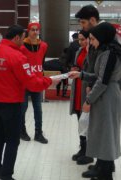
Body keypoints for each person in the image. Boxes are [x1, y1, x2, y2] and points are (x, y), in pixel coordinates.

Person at [0, 24, 60, 180]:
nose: (24, 40)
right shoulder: (17, 57)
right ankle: (6, 175)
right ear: (17, 37)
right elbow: (32, 83)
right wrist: (50, 80)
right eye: (22, 37)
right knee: (12, 140)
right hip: (11, 104)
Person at [69, 22, 121, 180]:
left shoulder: (109, 54)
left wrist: (88, 100)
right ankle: (103, 168)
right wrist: (81, 75)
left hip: (106, 96)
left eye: (92, 39)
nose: (91, 42)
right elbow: (101, 77)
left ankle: (105, 173)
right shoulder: (109, 51)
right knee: (103, 132)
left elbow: (102, 81)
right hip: (107, 95)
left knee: (105, 133)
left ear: (102, 37)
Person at [72, 4, 101, 169]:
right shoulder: (91, 43)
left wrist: (90, 84)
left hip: (98, 91)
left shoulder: (105, 41)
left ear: (92, 20)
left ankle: (100, 161)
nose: (81, 28)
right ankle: (89, 153)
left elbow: (102, 73)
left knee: (97, 125)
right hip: (87, 88)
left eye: (83, 23)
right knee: (85, 121)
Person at [19, 22, 49, 143]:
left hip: (37, 81)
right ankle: (22, 131)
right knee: (23, 108)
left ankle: (38, 133)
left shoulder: (43, 46)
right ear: (28, 31)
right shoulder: (21, 46)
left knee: (38, 109)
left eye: (37, 30)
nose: (35, 32)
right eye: (33, 30)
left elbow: (41, 61)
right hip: (24, 82)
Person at [69, 30, 89, 162]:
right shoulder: (79, 51)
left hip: (86, 89)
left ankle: (88, 151)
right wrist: (74, 68)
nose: (80, 42)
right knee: (80, 120)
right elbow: (76, 64)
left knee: (87, 121)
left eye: (83, 39)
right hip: (77, 88)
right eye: (79, 39)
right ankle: (82, 148)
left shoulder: (93, 52)